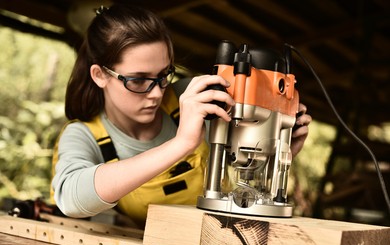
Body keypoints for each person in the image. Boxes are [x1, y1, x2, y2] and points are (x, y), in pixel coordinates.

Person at [51, 3, 311, 228]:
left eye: (163, 75)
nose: (156, 94)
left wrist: (278, 147)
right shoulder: (84, 135)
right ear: (100, 75)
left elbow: (237, 179)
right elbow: (72, 200)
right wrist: (181, 143)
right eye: (139, 80)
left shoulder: (192, 97)